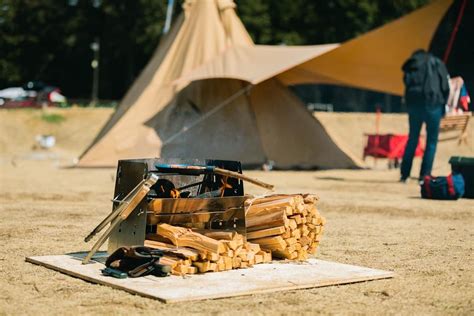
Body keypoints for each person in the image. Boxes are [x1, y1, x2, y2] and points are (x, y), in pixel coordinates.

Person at [400, 49, 450, 183]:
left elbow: (406, 82)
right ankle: (424, 175)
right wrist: (443, 105)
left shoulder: (412, 64)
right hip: (434, 105)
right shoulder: (437, 63)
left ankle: (404, 174)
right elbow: (445, 86)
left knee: (412, 138)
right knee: (431, 142)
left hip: (414, 105)